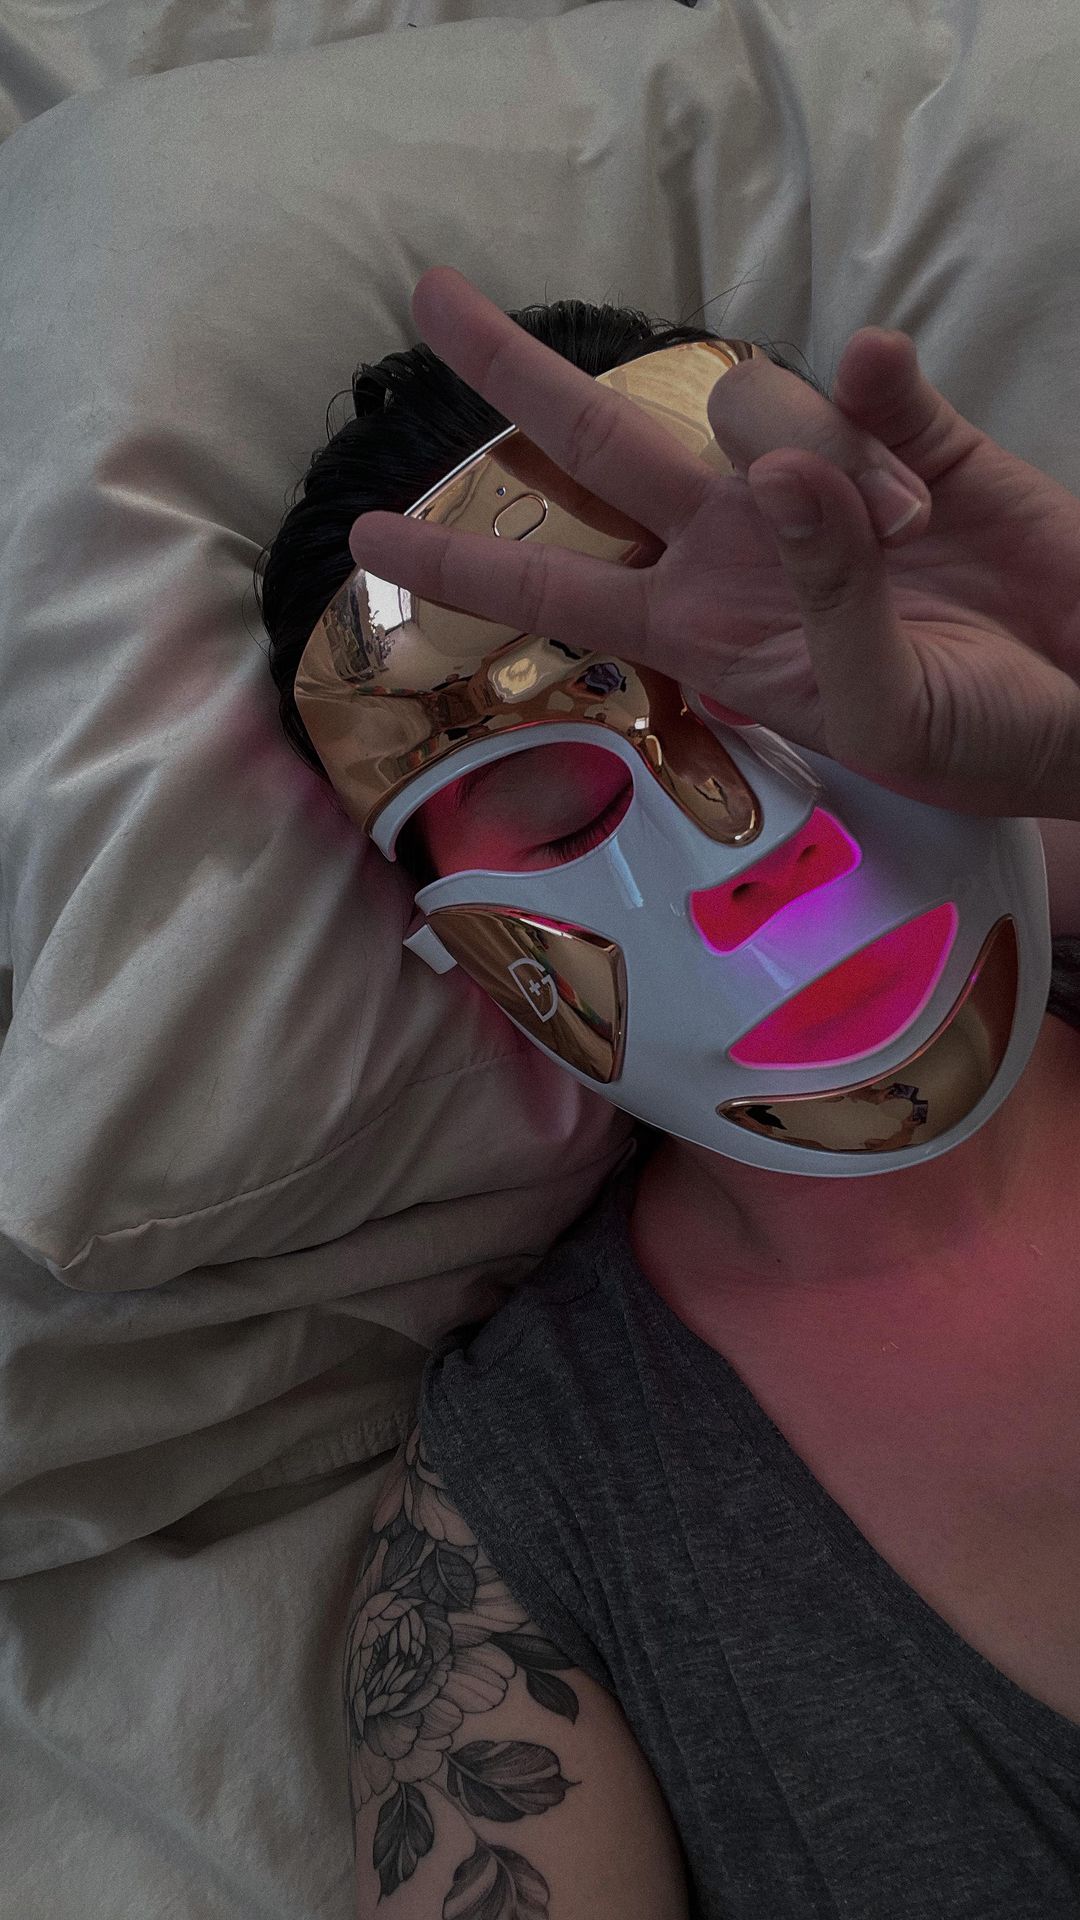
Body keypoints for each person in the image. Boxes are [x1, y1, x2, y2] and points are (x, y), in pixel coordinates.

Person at [258, 267, 1080, 1917]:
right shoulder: (530, 1527)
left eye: (800, 698)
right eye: (563, 813)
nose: (763, 854)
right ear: (448, 949)